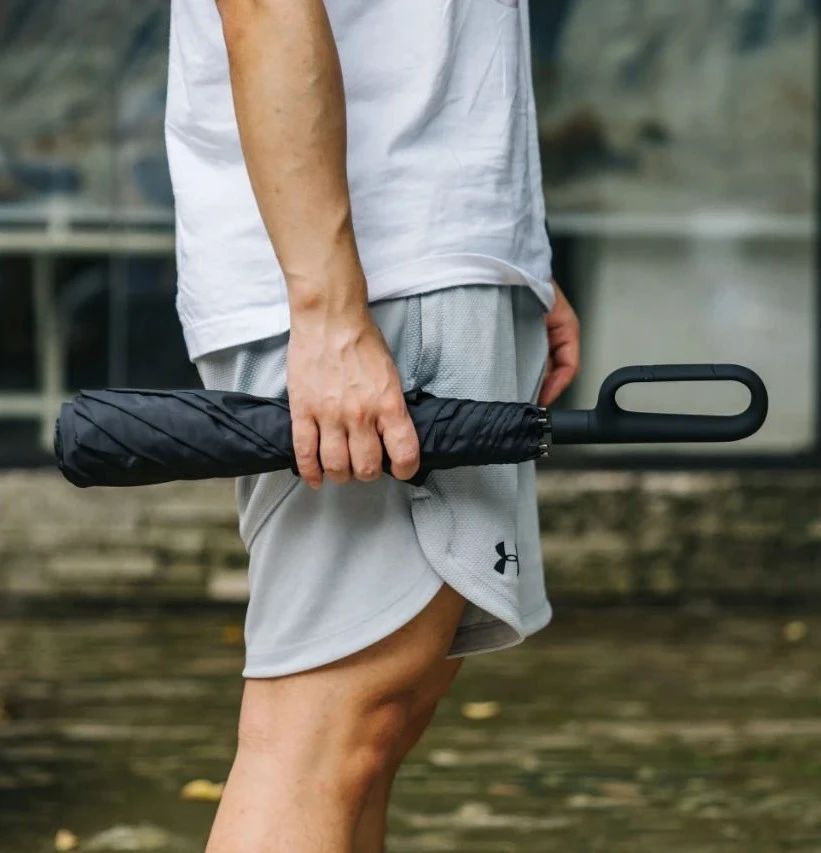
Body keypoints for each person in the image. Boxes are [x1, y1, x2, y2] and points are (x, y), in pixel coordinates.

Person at [164, 0, 580, 849]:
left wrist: (507, 253)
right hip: (374, 270)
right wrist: (330, 311)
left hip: (420, 256)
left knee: (375, 725)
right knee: (321, 735)